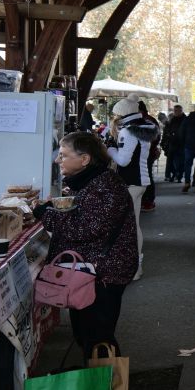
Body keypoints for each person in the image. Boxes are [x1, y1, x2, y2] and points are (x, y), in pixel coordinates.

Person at [36, 132, 138, 358]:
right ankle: (100, 383)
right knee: (87, 334)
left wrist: (46, 215)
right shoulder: (93, 181)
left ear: (85, 159)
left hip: (103, 273)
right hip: (93, 270)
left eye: (63, 155)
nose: (57, 160)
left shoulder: (105, 187)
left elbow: (85, 228)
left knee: (98, 338)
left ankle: (108, 387)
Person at [107, 94, 158, 281]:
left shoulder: (127, 132)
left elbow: (123, 160)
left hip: (129, 183)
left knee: (126, 227)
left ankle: (132, 268)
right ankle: (136, 267)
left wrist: (110, 149)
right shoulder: (144, 130)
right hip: (141, 182)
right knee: (135, 226)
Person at [137, 101, 161, 213]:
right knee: (146, 175)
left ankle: (148, 200)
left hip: (147, 153)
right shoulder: (149, 120)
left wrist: (149, 147)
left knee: (147, 176)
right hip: (148, 152)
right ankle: (147, 200)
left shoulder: (146, 121)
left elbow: (155, 138)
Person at [163, 104, 185, 182]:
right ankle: (172, 174)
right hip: (172, 142)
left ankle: (179, 175)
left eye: (177, 110)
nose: (175, 112)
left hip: (181, 144)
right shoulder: (172, 119)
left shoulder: (185, 119)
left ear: (181, 111)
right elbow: (167, 130)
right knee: (170, 160)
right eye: (175, 110)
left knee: (180, 161)